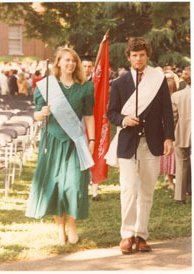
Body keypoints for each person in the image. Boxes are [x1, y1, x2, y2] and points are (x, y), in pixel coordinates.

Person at [106, 37, 174, 254]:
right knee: (128, 189)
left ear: (147, 56)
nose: (138, 59)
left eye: (142, 55)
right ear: (128, 57)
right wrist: (123, 120)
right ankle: (126, 235)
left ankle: (141, 235)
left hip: (152, 142)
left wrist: (169, 138)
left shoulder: (159, 80)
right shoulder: (118, 84)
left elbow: (167, 111)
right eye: (134, 55)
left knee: (146, 191)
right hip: (128, 143)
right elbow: (111, 113)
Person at [25, 47, 95, 246]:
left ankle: (72, 225)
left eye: (73, 61)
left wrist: (92, 140)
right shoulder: (46, 87)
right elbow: (36, 115)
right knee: (55, 185)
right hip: (52, 142)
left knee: (72, 185)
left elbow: (89, 116)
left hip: (75, 142)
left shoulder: (85, 88)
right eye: (66, 60)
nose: (70, 64)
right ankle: (60, 230)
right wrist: (42, 113)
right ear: (58, 63)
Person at [171, 67, 191, 204]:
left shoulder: (177, 96)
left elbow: (173, 118)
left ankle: (180, 196)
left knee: (181, 164)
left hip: (182, 133)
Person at [81, 55, 100, 201]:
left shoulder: (96, 83)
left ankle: (95, 189)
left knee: (93, 153)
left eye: (89, 66)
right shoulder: (76, 82)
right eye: (84, 66)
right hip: (79, 123)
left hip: (93, 121)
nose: (87, 69)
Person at [160, 71, 177, 189]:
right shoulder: (176, 98)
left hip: (164, 131)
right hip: (175, 131)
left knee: (167, 156)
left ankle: (170, 181)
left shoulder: (162, 100)